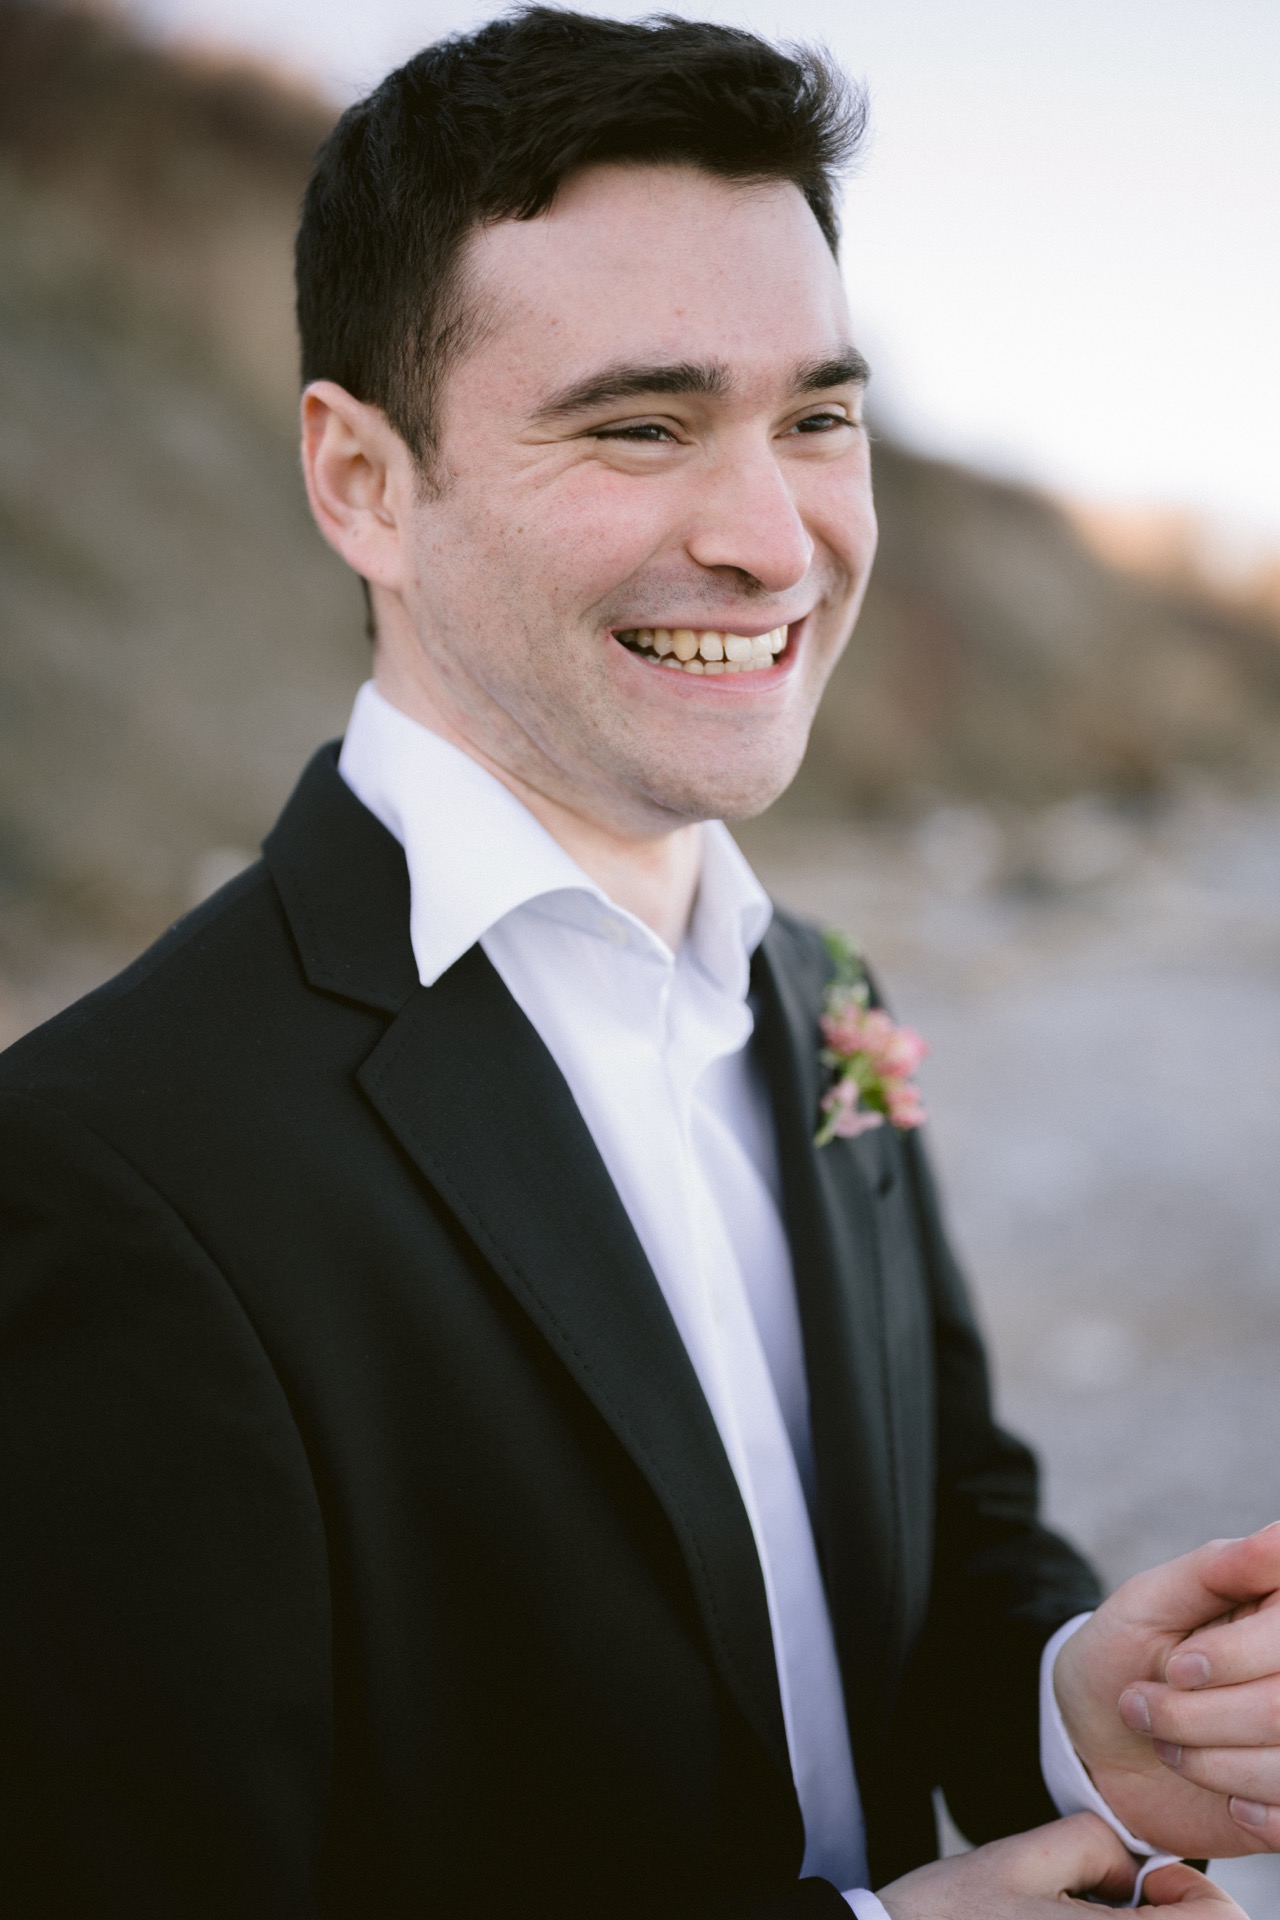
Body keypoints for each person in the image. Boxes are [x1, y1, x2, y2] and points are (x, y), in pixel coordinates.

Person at [0, 10, 1275, 1917]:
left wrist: (1070, 1707)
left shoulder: (823, 988)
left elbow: (935, 1513)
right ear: (362, 482)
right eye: (640, 425)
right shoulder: (105, 1164)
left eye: (817, 419)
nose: (774, 538)